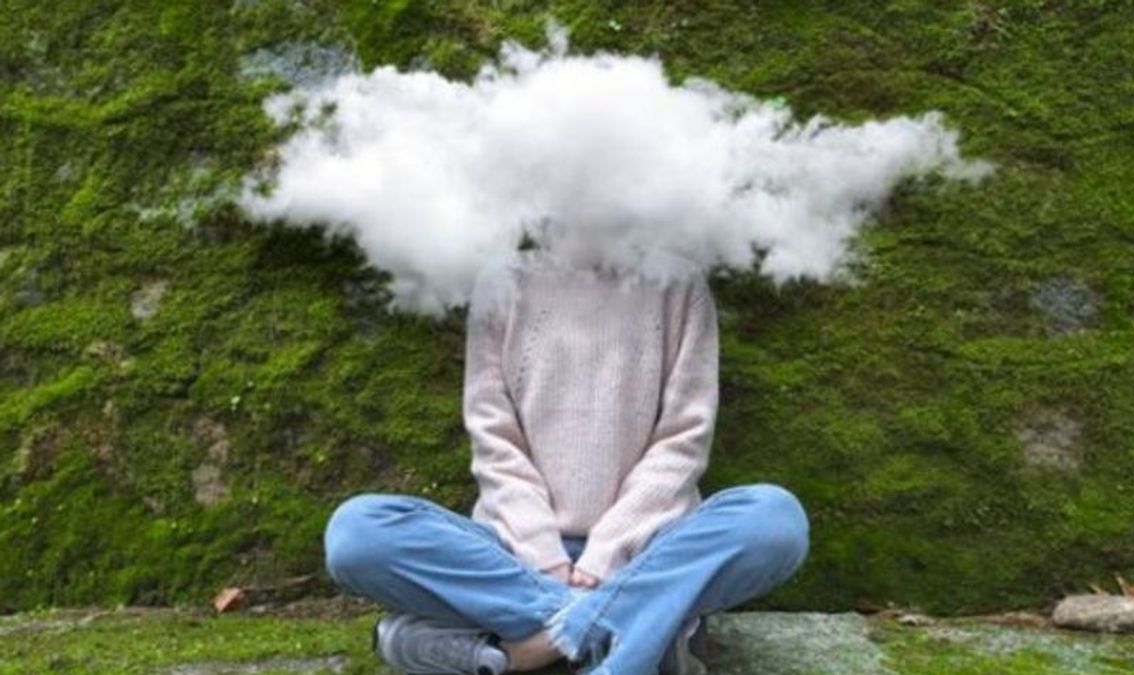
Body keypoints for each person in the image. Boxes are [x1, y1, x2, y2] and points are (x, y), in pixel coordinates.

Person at [323, 245, 810, 675]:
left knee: (774, 521)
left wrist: (609, 551)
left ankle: (523, 652)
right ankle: (641, 632)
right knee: (357, 533)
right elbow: (495, 442)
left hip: (649, 552)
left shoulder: (679, 284)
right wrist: (544, 554)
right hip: (511, 557)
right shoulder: (503, 282)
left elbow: (683, 441)